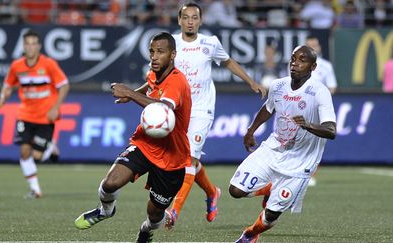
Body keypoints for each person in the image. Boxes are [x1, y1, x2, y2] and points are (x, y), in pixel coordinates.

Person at [74, 32, 192, 243]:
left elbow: (164, 108)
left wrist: (128, 92)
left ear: (173, 55)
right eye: (152, 51)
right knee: (110, 183)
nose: (154, 57)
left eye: (160, 52)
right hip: (146, 143)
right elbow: (151, 85)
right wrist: (135, 93)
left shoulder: (177, 82)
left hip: (172, 157)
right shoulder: (153, 73)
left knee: (154, 214)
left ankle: (146, 230)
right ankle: (105, 210)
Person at [165, 2, 266, 229]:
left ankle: (174, 212)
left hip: (202, 109)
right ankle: (212, 192)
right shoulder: (170, 44)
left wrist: (251, 82)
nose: (190, 21)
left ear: (200, 21)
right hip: (177, 111)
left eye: (195, 17)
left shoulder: (209, 43)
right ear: (179, 20)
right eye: (186, 17)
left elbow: (228, 61)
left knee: (189, 160)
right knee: (182, 160)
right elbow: (158, 71)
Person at [229, 45, 336, 243]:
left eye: (302, 60)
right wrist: (251, 130)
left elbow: (331, 131)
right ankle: (269, 188)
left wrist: (308, 125)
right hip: (272, 149)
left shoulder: (319, 92)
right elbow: (268, 108)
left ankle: (251, 234)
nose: (295, 63)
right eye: (293, 59)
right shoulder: (278, 85)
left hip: (300, 162)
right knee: (235, 190)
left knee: (271, 214)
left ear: (313, 67)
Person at [0, 30, 69, 198]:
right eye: (27, 43)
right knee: (24, 152)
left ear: (39, 46)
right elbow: (8, 85)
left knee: (37, 155)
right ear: (23, 46)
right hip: (25, 114)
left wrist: (56, 107)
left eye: (34, 43)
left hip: (45, 115)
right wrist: (3, 98)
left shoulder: (48, 64)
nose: (30, 47)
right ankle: (35, 190)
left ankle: (50, 147)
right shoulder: (17, 66)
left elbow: (64, 85)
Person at [305, 34, 337, 186]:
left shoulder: (326, 66)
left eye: (314, 45)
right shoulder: (296, 63)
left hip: (318, 109)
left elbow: (332, 86)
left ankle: (309, 173)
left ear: (319, 48)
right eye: (309, 45)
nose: (312, 48)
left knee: (315, 142)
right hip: (300, 106)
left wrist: (321, 98)